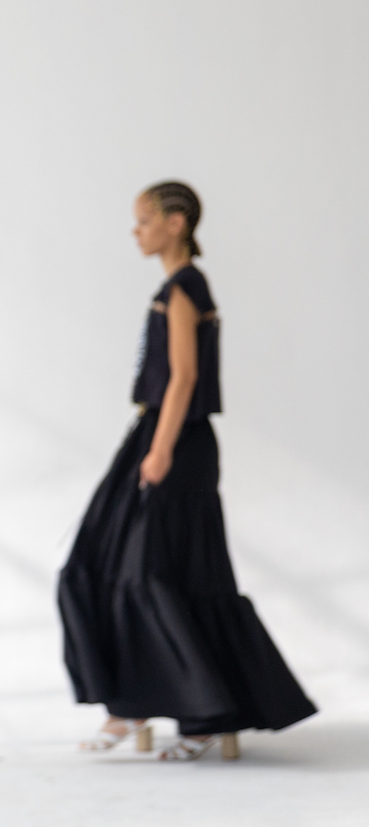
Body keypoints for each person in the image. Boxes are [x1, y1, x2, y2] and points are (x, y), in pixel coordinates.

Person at [58, 181, 315, 761]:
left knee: (157, 572)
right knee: (109, 563)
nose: (136, 231)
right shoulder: (181, 288)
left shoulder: (184, 289)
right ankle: (131, 704)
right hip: (160, 436)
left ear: (176, 223)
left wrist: (162, 448)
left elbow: (184, 377)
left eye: (144, 220)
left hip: (173, 439)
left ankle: (198, 715)